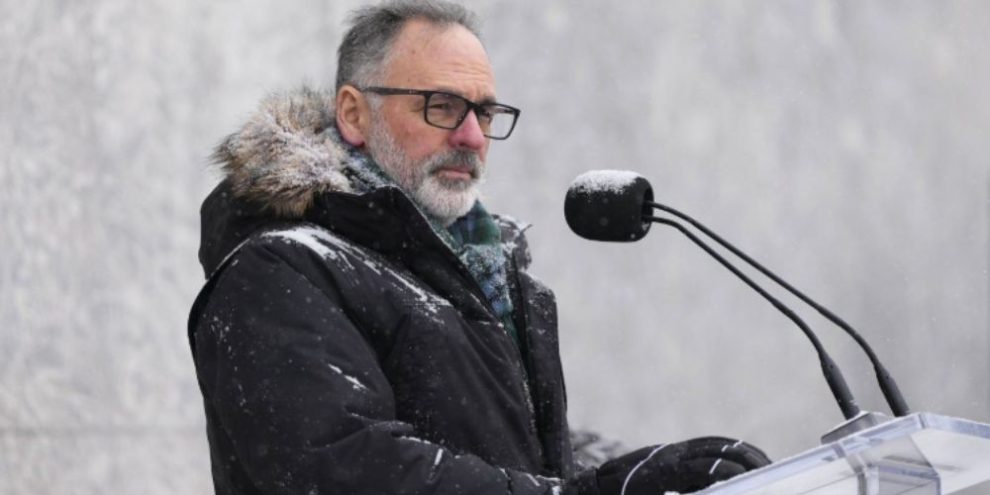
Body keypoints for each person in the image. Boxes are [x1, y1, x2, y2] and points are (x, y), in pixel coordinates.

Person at [187, 1, 770, 494]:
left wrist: (627, 474)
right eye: (441, 106)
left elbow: (514, 460)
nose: (470, 136)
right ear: (354, 114)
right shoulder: (281, 270)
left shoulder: (485, 272)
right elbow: (345, 468)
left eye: (485, 112)